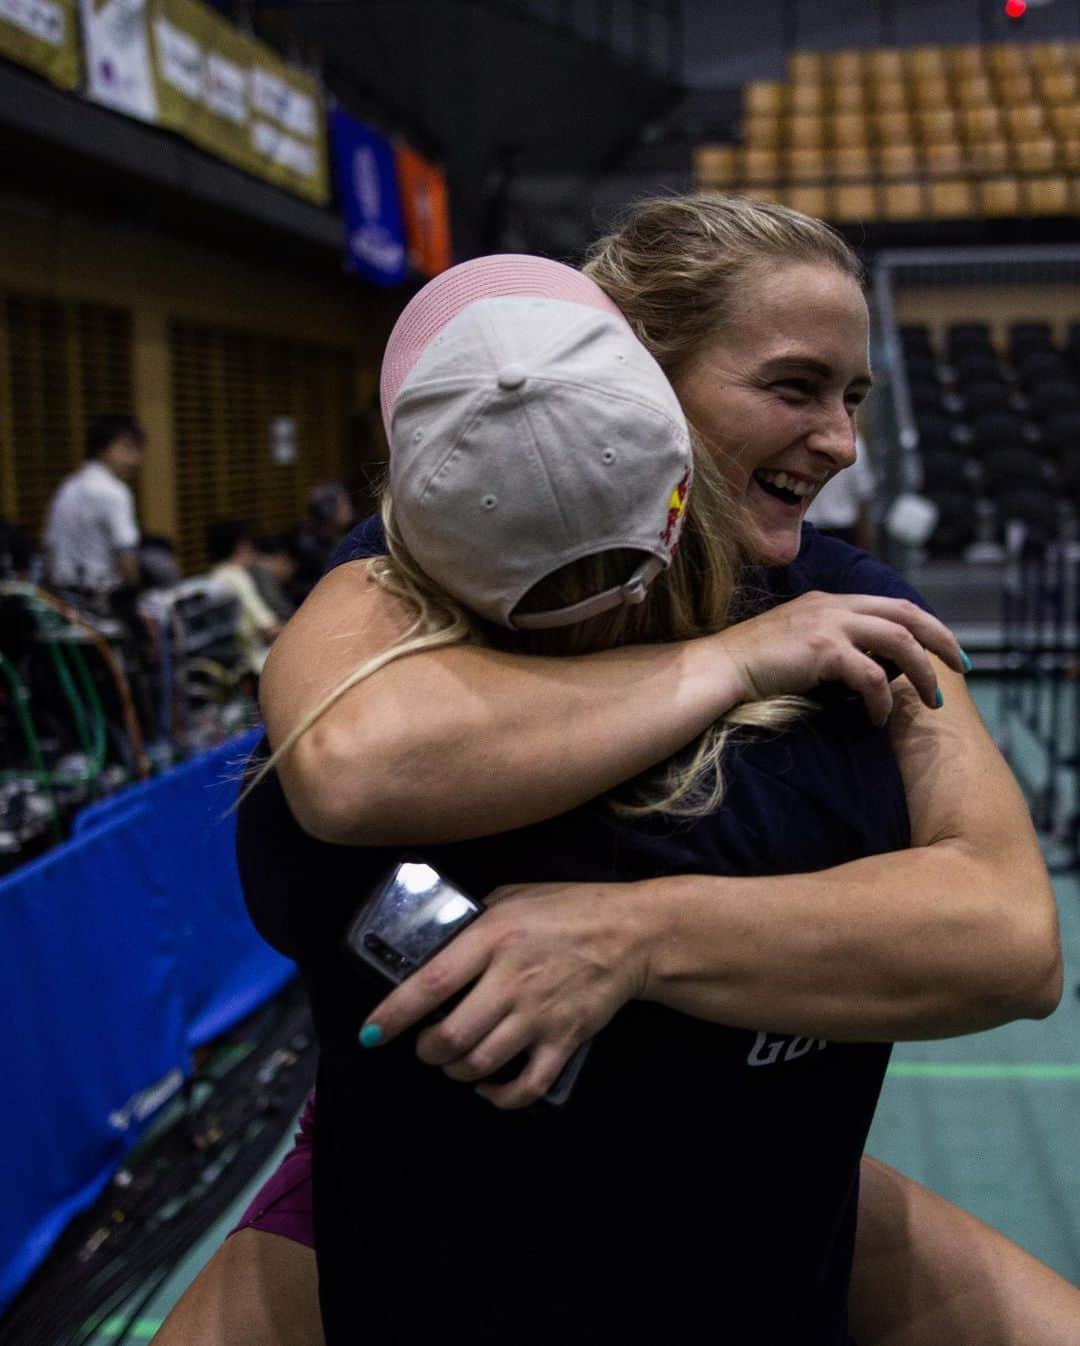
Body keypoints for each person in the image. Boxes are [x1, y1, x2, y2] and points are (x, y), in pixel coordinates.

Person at [157, 202, 1067, 1343]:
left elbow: (1012, 933)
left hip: (759, 1228)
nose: (841, 441)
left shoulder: (857, 612)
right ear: (626, 370)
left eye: (853, 398)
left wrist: (630, 935)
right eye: (794, 389)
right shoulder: (414, 578)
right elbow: (348, 763)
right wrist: (727, 660)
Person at [43, 413, 143, 595]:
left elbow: (50, 553)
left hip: (63, 599)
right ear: (102, 448)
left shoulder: (67, 486)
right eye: (127, 449)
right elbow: (127, 560)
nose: (135, 460)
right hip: (102, 602)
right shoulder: (114, 492)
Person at [205, 520, 283, 678]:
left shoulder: (214, 576)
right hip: (253, 666)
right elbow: (268, 627)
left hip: (227, 667)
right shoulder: (237, 577)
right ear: (242, 546)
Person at [804, 430, 877, 550]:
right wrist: (866, 534)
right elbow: (863, 493)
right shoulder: (854, 444)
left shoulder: (805, 443)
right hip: (842, 528)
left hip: (808, 526)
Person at [289, 482, 356, 606]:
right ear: (327, 510)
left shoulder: (339, 536)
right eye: (344, 505)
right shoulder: (308, 544)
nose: (349, 509)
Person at [251, 534, 299, 624]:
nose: (292, 570)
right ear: (283, 558)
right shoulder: (263, 575)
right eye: (292, 564)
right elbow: (281, 609)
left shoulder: (261, 572)